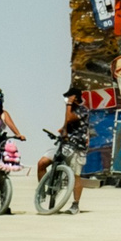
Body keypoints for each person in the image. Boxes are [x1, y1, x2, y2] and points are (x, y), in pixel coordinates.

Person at [40, 82, 91, 210]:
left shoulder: (82, 110)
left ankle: (75, 204)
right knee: (42, 163)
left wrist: (68, 104)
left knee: (75, 175)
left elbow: (69, 118)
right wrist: (62, 130)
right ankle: (42, 191)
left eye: (70, 97)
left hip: (77, 147)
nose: (67, 99)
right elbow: (67, 124)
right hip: (65, 145)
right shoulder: (71, 109)